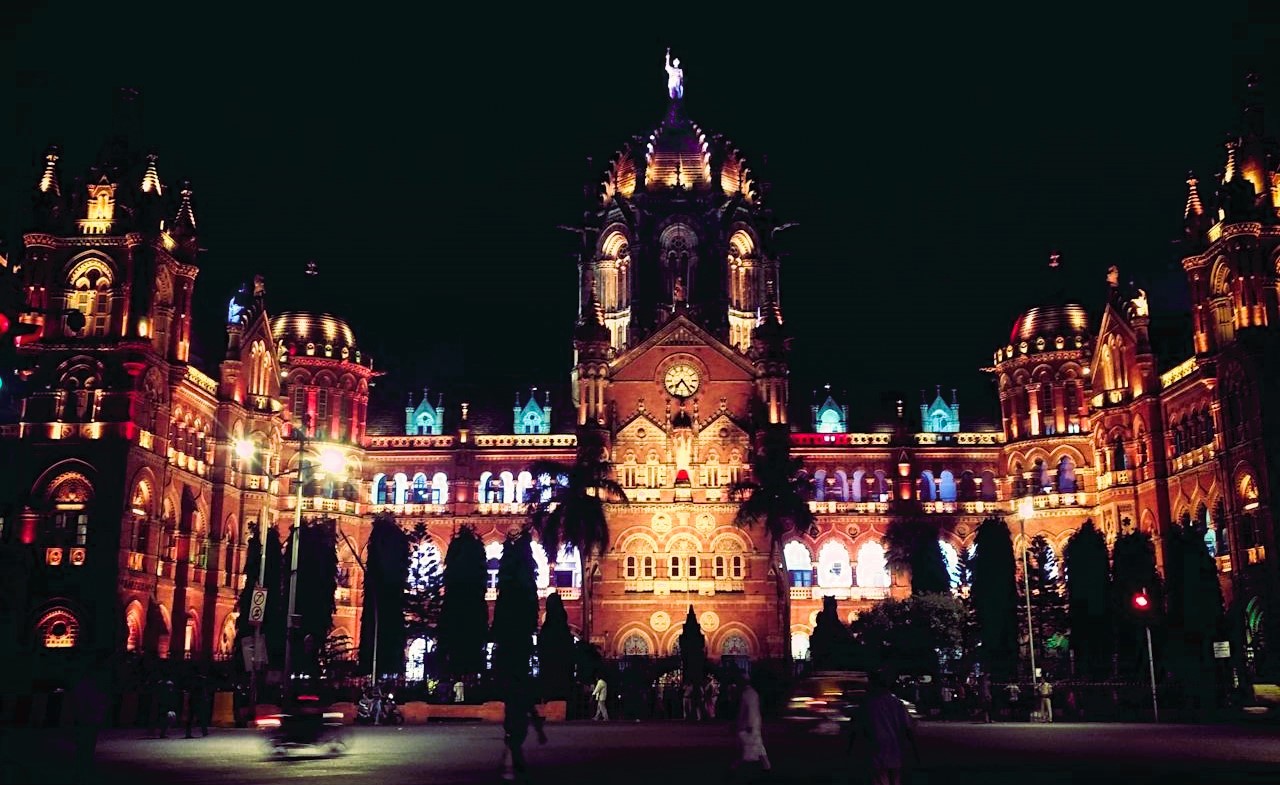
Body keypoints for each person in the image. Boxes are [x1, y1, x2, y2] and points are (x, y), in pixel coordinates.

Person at [848, 670, 918, 785]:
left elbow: (855, 728)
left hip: (876, 750)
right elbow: (908, 728)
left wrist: (850, 750)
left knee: (880, 779)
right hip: (894, 751)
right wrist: (914, 751)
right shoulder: (897, 704)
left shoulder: (868, 704)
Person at [501, 676, 547, 782]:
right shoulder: (522, 697)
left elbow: (509, 714)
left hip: (516, 724)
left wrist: (540, 732)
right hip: (519, 724)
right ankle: (519, 770)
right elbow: (533, 713)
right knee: (515, 747)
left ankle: (519, 771)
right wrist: (540, 732)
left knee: (514, 747)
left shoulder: (513, 697)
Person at [184, 670, 210, 738]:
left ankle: (189, 733)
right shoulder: (199, 685)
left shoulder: (194, 683)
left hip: (194, 702)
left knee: (192, 718)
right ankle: (204, 732)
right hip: (197, 702)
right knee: (200, 717)